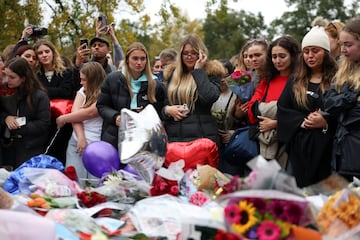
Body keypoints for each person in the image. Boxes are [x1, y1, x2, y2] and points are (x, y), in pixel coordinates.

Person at [277, 26, 338, 188]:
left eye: (315, 51)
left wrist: (326, 121)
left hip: (327, 149)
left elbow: (345, 110)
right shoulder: (295, 80)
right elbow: (283, 108)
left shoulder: (337, 79)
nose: (310, 56)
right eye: (306, 51)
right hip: (299, 148)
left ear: (325, 52)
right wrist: (301, 122)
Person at [97, 42, 165, 150]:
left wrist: (146, 115)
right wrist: (116, 117)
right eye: (135, 58)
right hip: (114, 136)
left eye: (143, 59)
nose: (139, 62)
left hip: (144, 139)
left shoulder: (155, 84)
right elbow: (102, 106)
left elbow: (161, 111)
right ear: (127, 59)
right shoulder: (112, 79)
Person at [247, 35, 301, 167]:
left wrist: (276, 123)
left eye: (282, 56)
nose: (277, 61)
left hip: (292, 146)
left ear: (293, 56)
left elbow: (301, 115)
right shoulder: (267, 80)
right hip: (266, 143)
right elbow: (251, 110)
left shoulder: (300, 81)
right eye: (274, 57)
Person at [162, 34, 223, 148]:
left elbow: (209, 97)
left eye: (194, 53)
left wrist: (198, 70)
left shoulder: (211, 73)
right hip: (176, 140)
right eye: (185, 53)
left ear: (201, 54)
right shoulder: (172, 75)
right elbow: (162, 106)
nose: (189, 56)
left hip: (202, 138)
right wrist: (167, 110)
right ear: (180, 55)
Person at [324, 17, 360, 181]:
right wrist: (352, 98)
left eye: (349, 44)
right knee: (340, 204)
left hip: (356, 151)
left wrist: (342, 104)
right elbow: (328, 103)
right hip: (340, 152)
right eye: (341, 44)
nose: (343, 49)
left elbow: (353, 117)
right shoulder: (343, 70)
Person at [56, 62, 106, 180]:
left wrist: (64, 118)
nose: (81, 83)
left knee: (94, 184)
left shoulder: (105, 93)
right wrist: (81, 137)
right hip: (77, 141)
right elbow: (76, 115)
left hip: (96, 144)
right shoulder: (82, 91)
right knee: (74, 180)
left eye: (84, 80)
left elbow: (89, 113)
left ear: (93, 80)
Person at [0, 58, 50, 168]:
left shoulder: (39, 96)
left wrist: (20, 125)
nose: (7, 80)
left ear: (23, 78)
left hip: (30, 149)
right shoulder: (7, 93)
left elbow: (43, 123)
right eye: (6, 75)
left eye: (12, 77)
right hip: (9, 148)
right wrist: (6, 118)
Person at [33, 39, 75, 164]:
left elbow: (66, 93)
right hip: (43, 122)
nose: (44, 55)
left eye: (47, 51)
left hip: (63, 124)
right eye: (40, 53)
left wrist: (42, 90)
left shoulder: (66, 72)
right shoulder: (35, 75)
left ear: (53, 53)